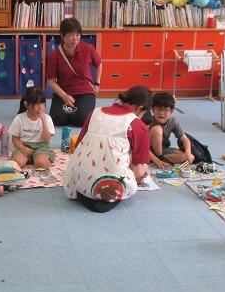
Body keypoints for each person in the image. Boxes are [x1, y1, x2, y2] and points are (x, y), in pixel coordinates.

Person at [63, 85, 152, 213]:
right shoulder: (138, 125)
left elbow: (78, 146)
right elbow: (138, 172)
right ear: (140, 108)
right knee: (135, 177)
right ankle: (102, 193)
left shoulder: (95, 113)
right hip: (109, 186)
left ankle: (87, 190)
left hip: (78, 180)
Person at [46, 17, 102, 127]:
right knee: (57, 119)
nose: (75, 39)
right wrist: (64, 96)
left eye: (77, 35)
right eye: (71, 35)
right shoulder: (54, 55)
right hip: (63, 92)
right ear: (62, 36)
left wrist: (97, 84)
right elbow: (51, 81)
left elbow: (99, 63)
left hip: (85, 91)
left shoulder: (88, 49)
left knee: (81, 120)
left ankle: (75, 112)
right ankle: (71, 112)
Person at [143, 92, 194, 167]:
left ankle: (158, 159)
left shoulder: (172, 121)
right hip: (147, 150)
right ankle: (158, 159)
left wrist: (188, 153)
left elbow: (185, 139)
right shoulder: (147, 122)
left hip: (164, 149)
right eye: (159, 109)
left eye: (166, 110)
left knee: (184, 156)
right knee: (157, 129)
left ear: (171, 111)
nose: (162, 113)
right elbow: (143, 147)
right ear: (153, 110)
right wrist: (157, 161)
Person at [10, 88, 56, 171]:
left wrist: (43, 121)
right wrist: (23, 148)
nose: (40, 107)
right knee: (17, 163)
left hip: (41, 147)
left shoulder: (47, 118)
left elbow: (46, 140)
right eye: (36, 104)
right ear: (26, 105)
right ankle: (29, 158)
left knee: (41, 164)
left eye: (42, 103)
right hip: (24, 145)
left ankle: (44, 159)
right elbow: (15, 139)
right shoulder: (19, 118)